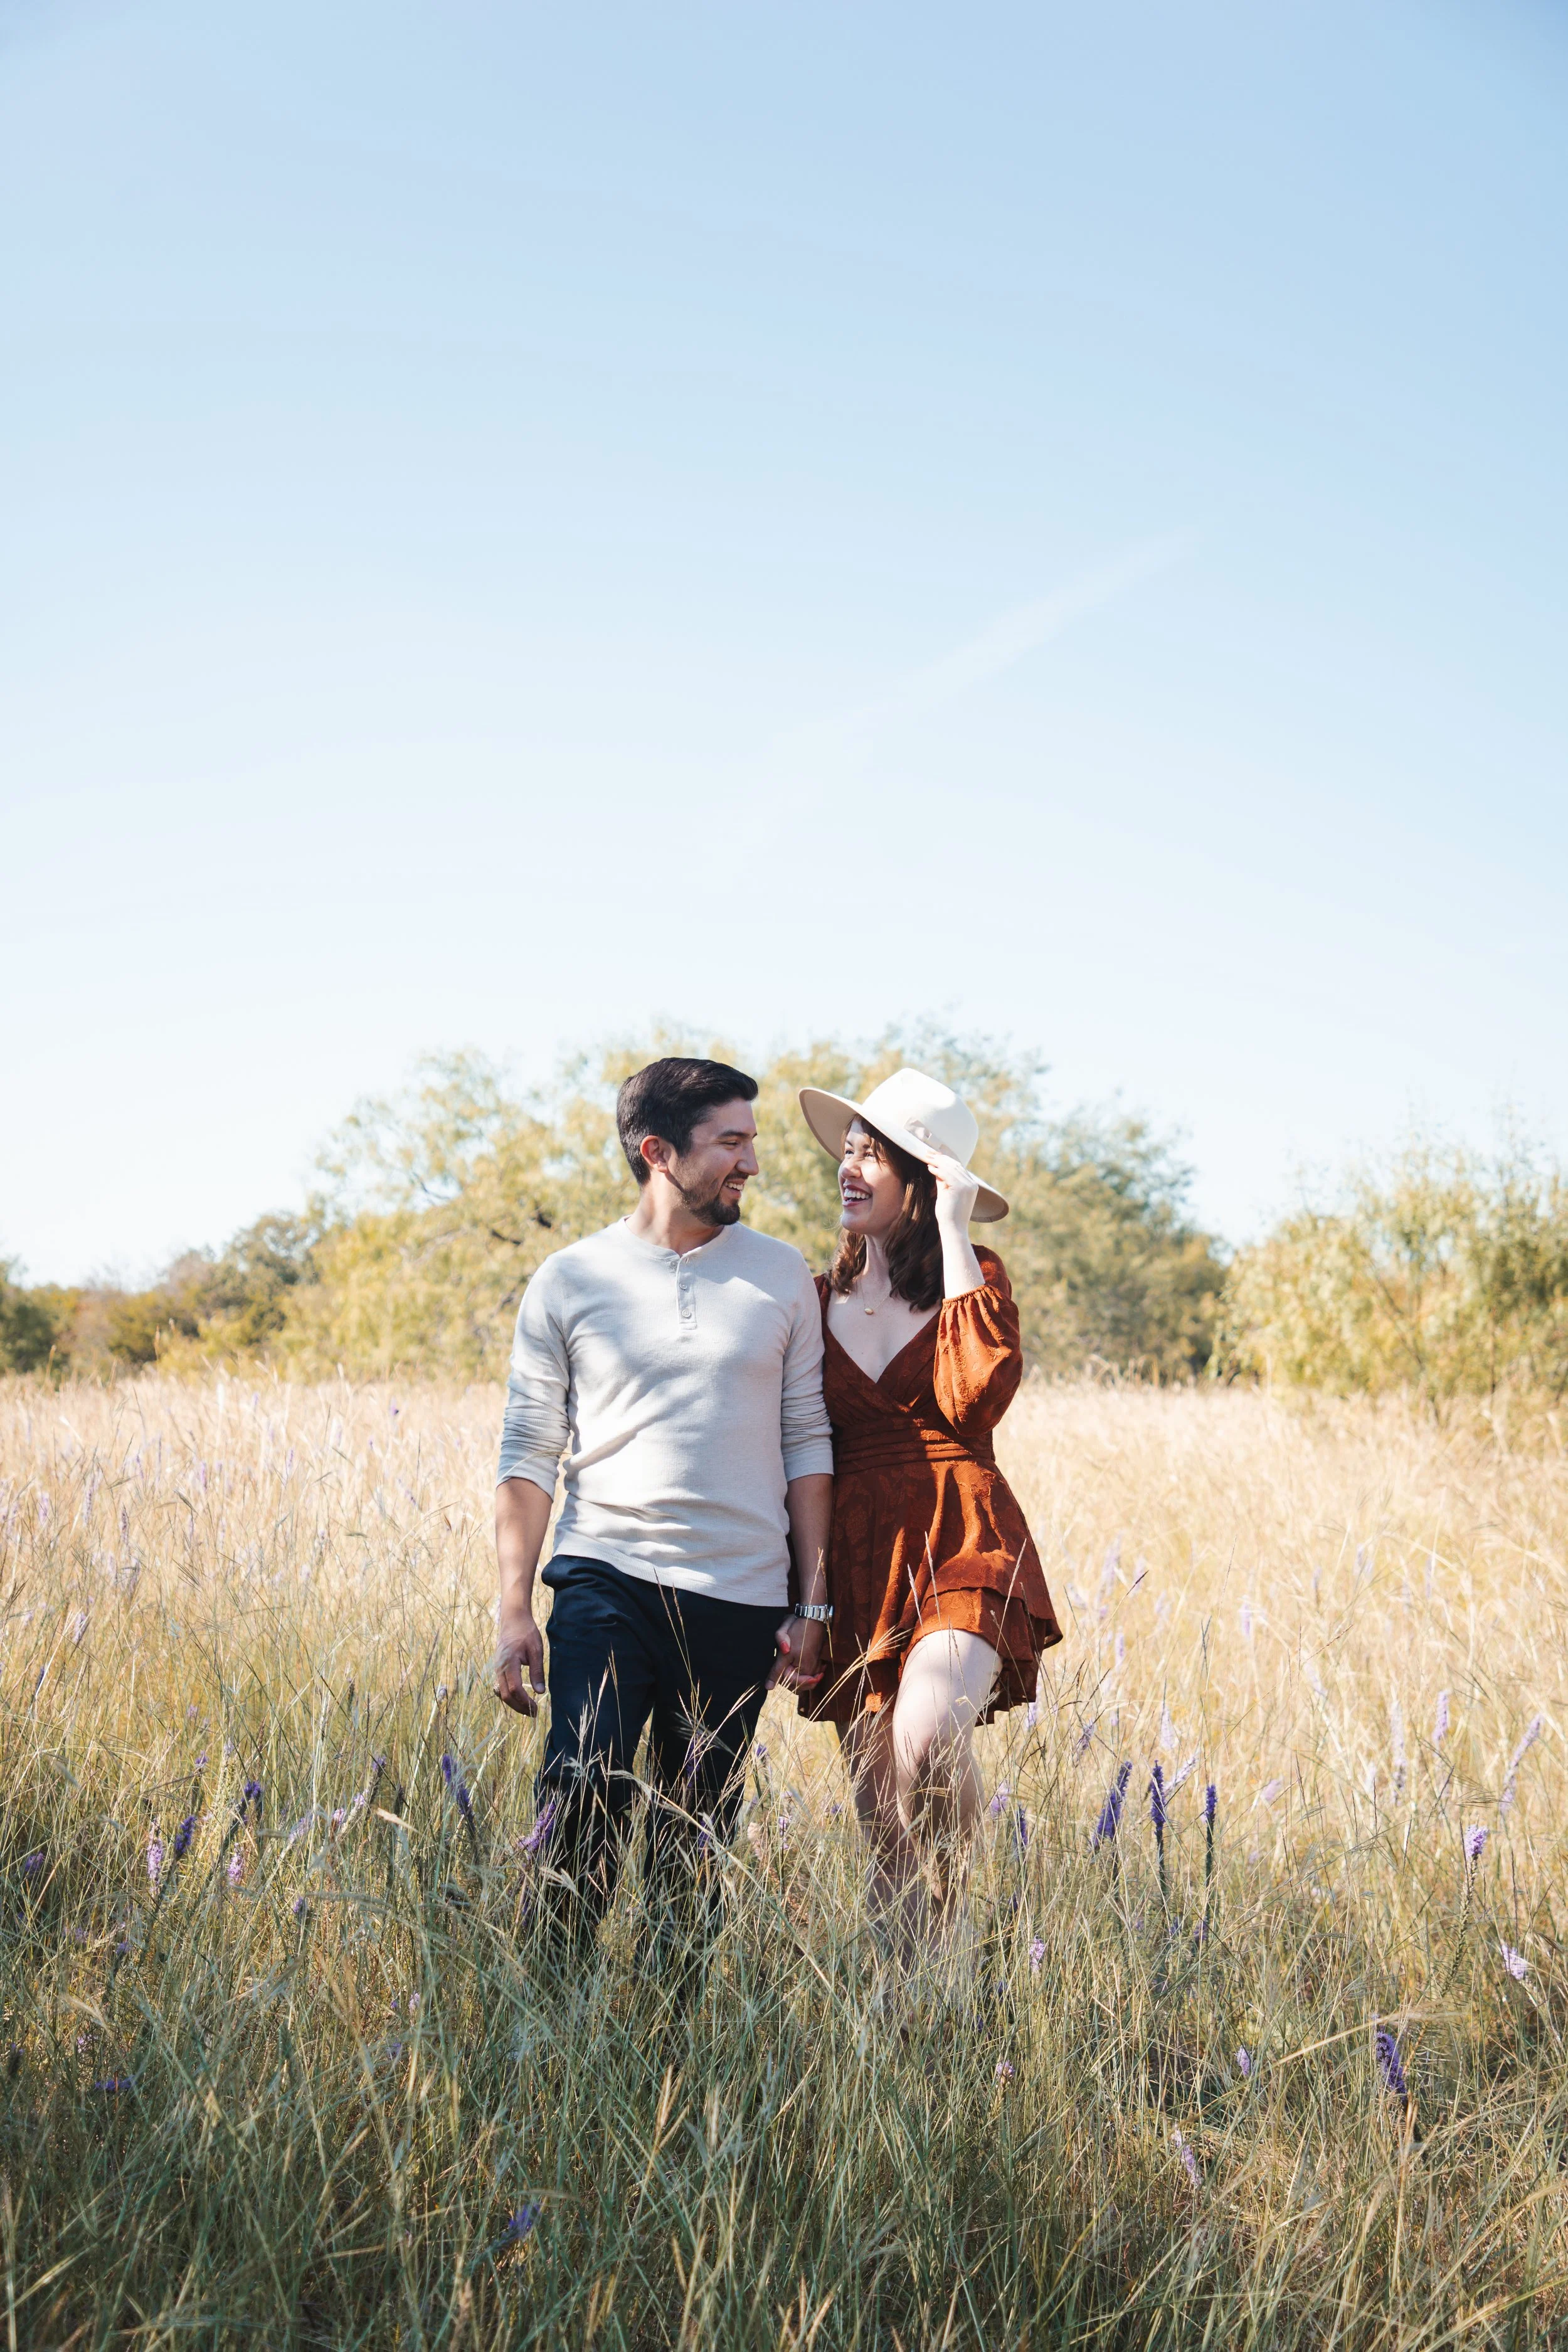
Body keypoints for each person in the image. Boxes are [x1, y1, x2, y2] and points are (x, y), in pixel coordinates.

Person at [492, 1056, 834, 1984]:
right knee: (583, 1788)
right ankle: (545, 2028)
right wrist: (514, 1608)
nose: (752, 1164)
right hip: (606, 1576)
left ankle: (670, 2050)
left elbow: (808, 1443)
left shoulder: (781, 1277)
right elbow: (528, 1453)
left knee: (695, 1831)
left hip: (741, 1593)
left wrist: (814, 1606)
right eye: (731, 1141)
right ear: (658, 1151)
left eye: (751, 1141)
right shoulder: (569, 1280)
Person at [794, 1066, 1061, 1955]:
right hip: (857, 1551)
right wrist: (810, 1595)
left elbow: (976, 1397)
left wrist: (952, 1229)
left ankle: (965, 1912)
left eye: (875, 1155)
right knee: (881, 1821)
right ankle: (916, 2003)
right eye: (850, 1150)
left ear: (924, 1180)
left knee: (928, 1736)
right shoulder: (813, 1297)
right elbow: (798, 1448)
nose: (850, 1167)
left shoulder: (973, 1278)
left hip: (960, 1533)